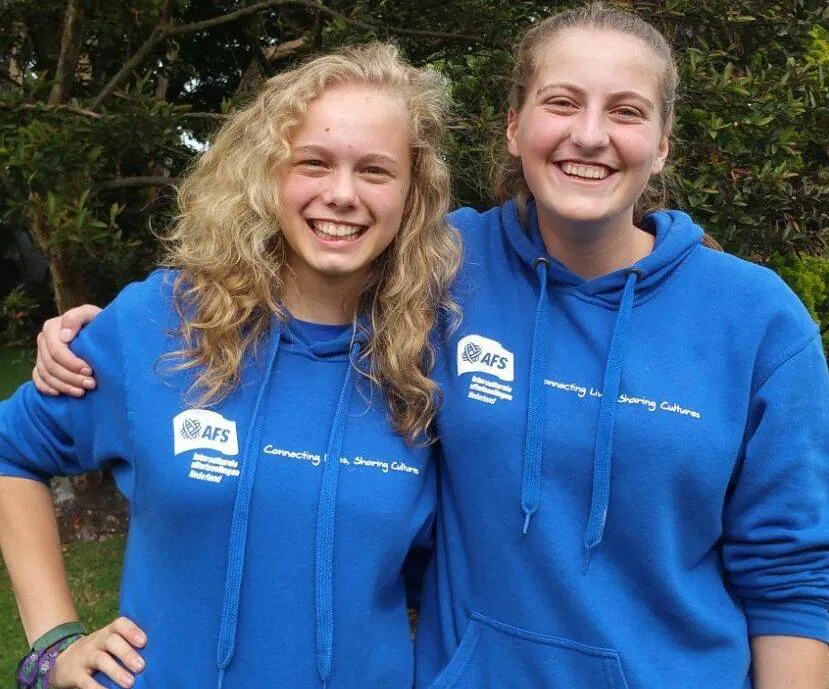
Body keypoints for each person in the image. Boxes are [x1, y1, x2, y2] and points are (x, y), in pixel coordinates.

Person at [29, 3, 829, 688]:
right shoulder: (445, 268)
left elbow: (792, 573)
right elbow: (299, 269)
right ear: (514, 126)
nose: (589, 135)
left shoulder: (755, 320)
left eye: (625, 111)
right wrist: (98, 334)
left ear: (662, 143)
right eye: (560, 102)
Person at [0, 43, 460, 689]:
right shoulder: (161, 322)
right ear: (268, 172)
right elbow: (12, 452)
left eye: (375, 171)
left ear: (413, 193)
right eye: (314, 162)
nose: (341, 194)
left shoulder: (431, 362)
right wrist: (53, 645)